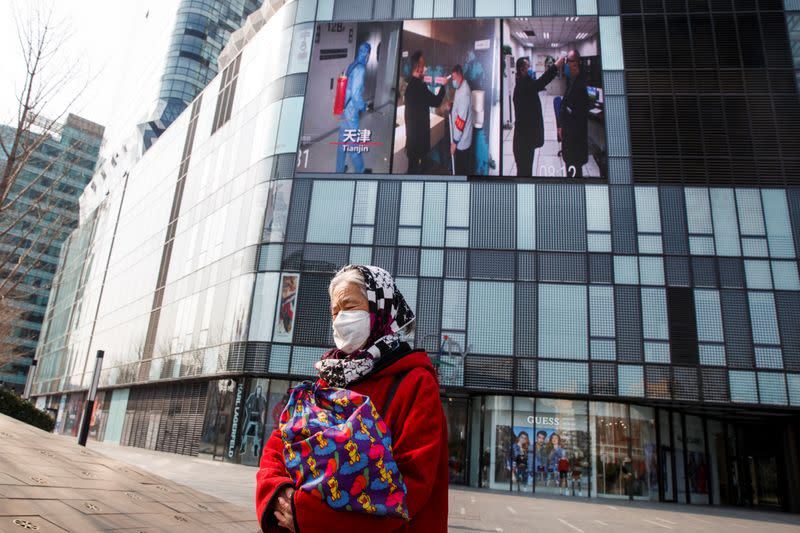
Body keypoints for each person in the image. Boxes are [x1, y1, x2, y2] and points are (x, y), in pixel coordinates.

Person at [256, 265, 448, 532]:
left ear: (379, 308)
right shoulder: (329, 377)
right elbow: (281, 442)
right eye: (335, 311)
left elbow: (412, 482)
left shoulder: (415, 382)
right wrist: (277, 493)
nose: (339, 319)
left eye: (349, 306)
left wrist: (310, 517)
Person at [512, 55, 565, 177]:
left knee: (525, 171)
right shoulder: (523, 86)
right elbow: (542, 81)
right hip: (523, 143)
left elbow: (539, 84)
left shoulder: (524, 82)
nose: (530, 69)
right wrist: (556, 65)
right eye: (528, 67)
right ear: (522, 70)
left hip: (525, 140)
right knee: (524, 173)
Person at [405, 51, 446, 174]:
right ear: (418, 68)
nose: (426, 69)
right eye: (424, 66)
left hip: (411, 138)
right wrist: (443, 86)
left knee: (412, 167)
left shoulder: (410, 86)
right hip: (420, 139)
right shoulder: (420, 87)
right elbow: (436, 101)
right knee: (419, 169)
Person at [336, 42, 371, 174]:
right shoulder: (360, 69)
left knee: (342, 140)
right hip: (351, 110)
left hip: (344, 107)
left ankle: (339, 169)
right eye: (368, 54)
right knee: (353, 141)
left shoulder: (352, 64)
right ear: (367, 54)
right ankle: (361, 171)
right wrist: (364, 106)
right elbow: (356, 95)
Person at [557, 50, 591, 178]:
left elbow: (577, 117)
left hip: (574, 144)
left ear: (576, 64)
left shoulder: (580, 87)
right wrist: (560, 125)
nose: (565, 65)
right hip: (569, 140)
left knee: (574, 175)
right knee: (570, 171)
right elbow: (565, 106)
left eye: (568, 62)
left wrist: (564, 127)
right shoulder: (571, 81)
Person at [448, 65, 473, 175]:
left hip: (462, 140)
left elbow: (461, 121)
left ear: (460, 75)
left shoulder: (464, 93)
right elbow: (461, 107)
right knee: (461, 166)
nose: (453, 81)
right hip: (460, 137)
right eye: (452, 78)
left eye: (454, 78)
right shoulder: (460, 86)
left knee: (461, 169)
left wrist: (454, 143)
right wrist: (452, 105)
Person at [240, 384, 267, 457]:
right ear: (256, 390)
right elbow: (246, 404)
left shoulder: (262, 398)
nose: (258, 391)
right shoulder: (252, 396)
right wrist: (248, 411)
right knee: (245, 433)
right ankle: (243, 447)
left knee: (256, 435)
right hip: (251, 417)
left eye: (259, 390)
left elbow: (264, 408)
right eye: (257, 390)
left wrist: (261, 415)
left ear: (260, 391)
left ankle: (255, 449)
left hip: (258, 418)